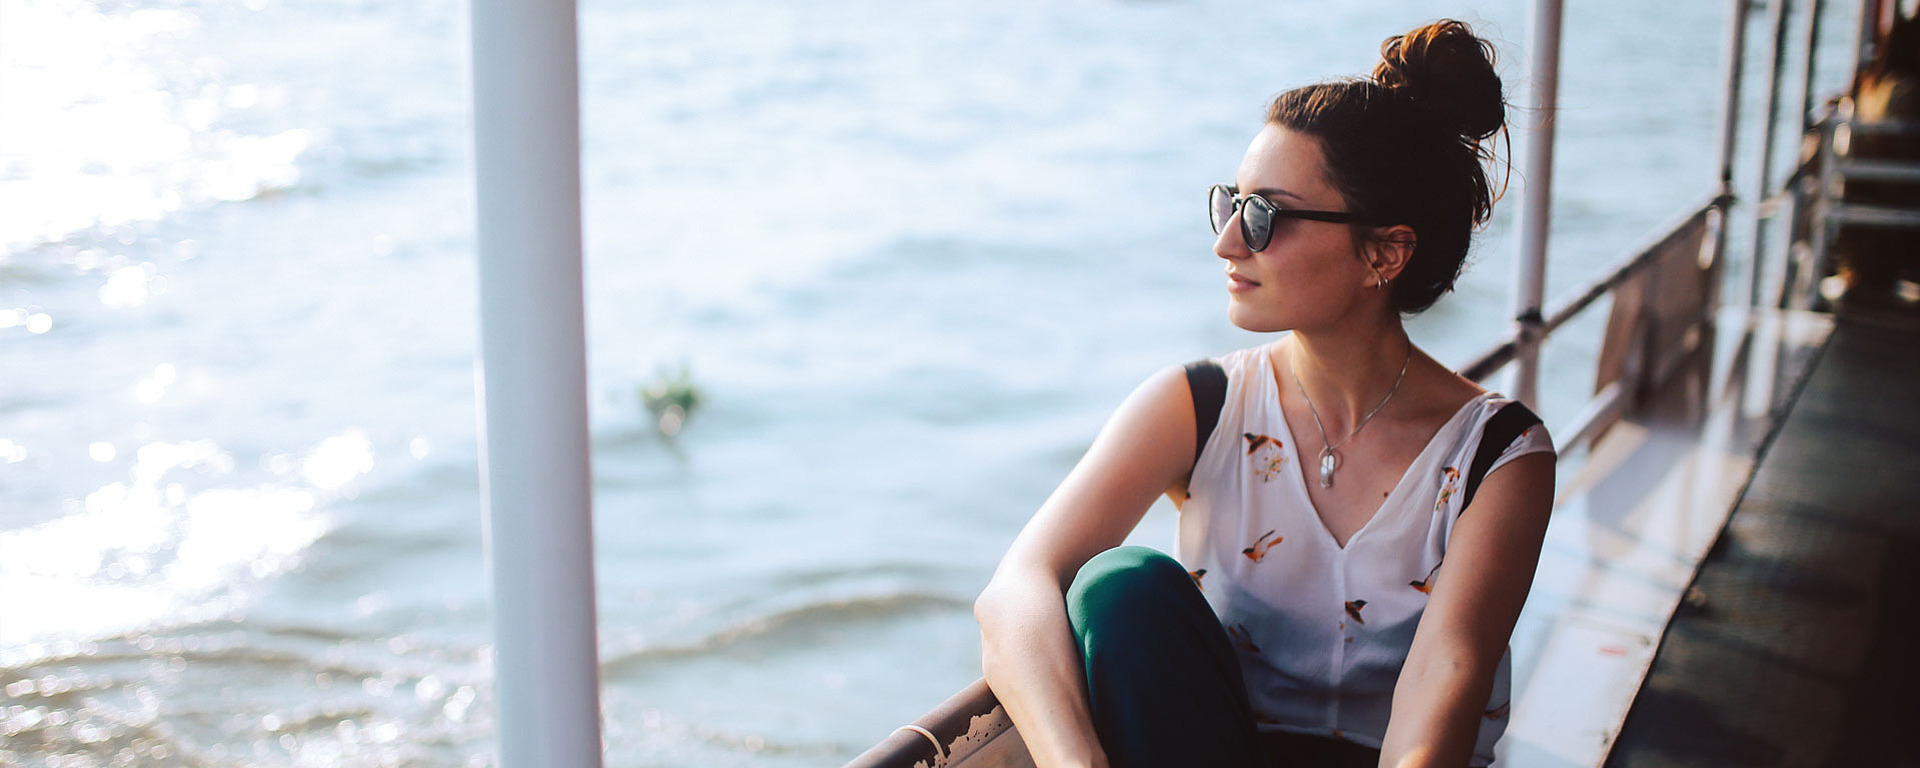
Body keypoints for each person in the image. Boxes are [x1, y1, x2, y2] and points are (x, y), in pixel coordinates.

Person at [972, 19, 1557, 768]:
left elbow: (1447, 675)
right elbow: (1017, 588)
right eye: (1229, 203)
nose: (1226, 242)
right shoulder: (1201, 403)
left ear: (1384, 251)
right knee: (1121, 586)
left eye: (1264, 217)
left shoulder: (1497, 456)